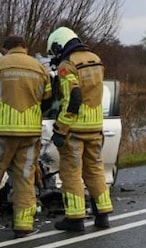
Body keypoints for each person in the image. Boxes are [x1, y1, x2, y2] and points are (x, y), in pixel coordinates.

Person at [0, 35, 53, 242]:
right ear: (25, 48)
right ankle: (24, 227)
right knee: (24, 179)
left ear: (4, 48)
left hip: (1, 133)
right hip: (30, 135)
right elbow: (48, 102)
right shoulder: (39, 68)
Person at [48, 27, 112, 232]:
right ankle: (102, 215)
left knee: (71, 173)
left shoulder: (68, 65)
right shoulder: (95, 58)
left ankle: (75, 219)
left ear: (59, 45)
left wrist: (60, 129)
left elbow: (72, 98)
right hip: (95, 126)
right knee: (95, 170)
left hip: (75, 129)